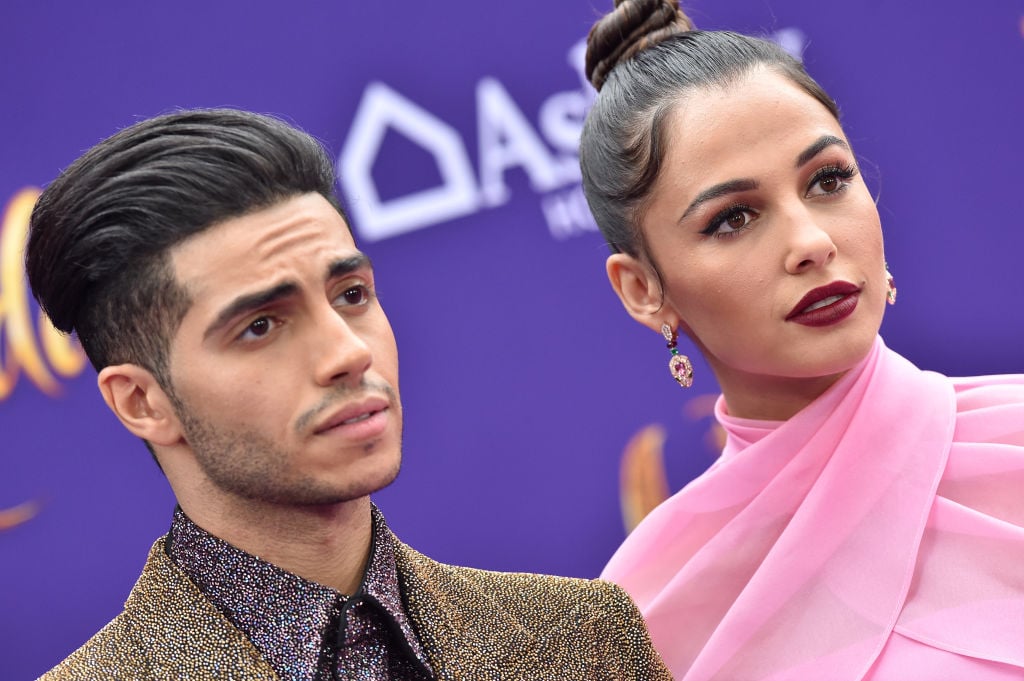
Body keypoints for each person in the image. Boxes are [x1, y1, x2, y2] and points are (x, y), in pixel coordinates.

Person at [26, 108, 671, 680]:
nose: (348, 353)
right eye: (260, 326)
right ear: (142, 402)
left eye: (352, 295)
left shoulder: (579, 637)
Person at [578, 1, 1024, 679]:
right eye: (733, 218)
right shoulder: (636, 621)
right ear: (642, 288)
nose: (812, 242)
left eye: (828, 180)